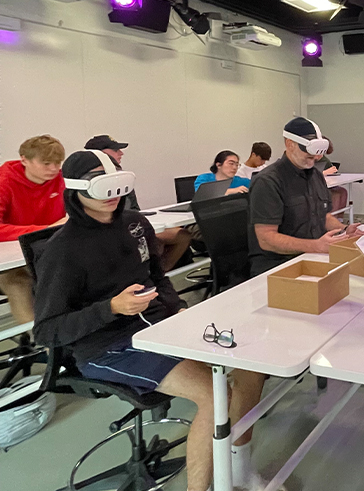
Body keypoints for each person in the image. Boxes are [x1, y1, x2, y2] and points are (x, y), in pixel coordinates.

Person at [33, 150, 274, 491]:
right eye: (102, 188)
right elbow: (46, 331)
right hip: (109, 346)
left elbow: (158, 277)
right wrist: (111, 308)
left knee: (250, 368)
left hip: (160, 325)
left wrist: (176, 309)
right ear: (77, 190)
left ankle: (240, 466)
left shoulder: (135, 224)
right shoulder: (62, 250)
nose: (112, 198)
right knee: (213, 394)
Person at [248, 117, 364, 276]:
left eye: (317, 155)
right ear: (290, 144)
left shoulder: (315, 176)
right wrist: (316, 246)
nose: (316, 158)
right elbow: (266, 239)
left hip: (313, 256)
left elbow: (323, 216)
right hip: (278, 266)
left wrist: (344, 231)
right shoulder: (268, 182)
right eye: (309, 153)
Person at [85, 135, 191, 272]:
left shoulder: (123, 177)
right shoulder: (87, 183)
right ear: (100, 154)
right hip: (108, 233)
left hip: (129, 226)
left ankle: (157, 276)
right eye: (115, 150)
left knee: (182, 235)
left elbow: (135, 208)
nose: (121, 153)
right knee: (151, 242)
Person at [0, 135, 67, 324]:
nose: (53, 169)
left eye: (57, 163)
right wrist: (43, 229)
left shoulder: (62, 180)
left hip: (48, 251)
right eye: (46, 163)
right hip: (11, 261)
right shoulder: (4, 181)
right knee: (17, 282)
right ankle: (39, 342)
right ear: (24, 160)